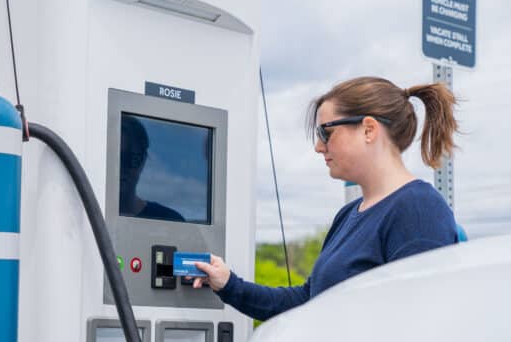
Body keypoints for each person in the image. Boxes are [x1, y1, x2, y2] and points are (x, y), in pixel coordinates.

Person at [192, 76, 459, 321]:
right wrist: (228, 284)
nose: (319, 147)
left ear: (368, 129)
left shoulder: (418, 210)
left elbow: (421, 324)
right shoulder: (349, 214)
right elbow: (308, 301)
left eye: (325, 132)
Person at [119, 115, 185, 222]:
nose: (121, 168)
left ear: (143, 162)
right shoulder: (85, 216)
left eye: (131, 159)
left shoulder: (170, 220)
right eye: (116, 158)